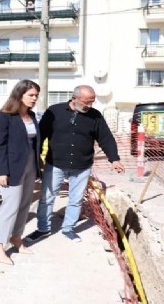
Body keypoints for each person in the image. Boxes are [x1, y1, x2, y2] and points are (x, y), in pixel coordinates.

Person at [25, 85, 125, 243]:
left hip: (82, 166)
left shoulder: (95, 116)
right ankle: (43, 228)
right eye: (86, 102)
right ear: (74, 98)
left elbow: (105, 138)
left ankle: (68, 229)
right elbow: (41, 135)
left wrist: (114, 159)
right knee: (47, 198)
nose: (90, 106)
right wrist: (36, 159)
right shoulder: (54, 111)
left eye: (92, 102)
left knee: (76, 199)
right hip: (55, 164)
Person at [0, 80, 42, 265]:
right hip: (11, 167)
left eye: (36, 95)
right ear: (19, 95)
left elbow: (35, 143)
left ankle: (17, 238)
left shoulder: (32, 116)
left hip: (30, 165)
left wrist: (37, 167)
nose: (35, 98)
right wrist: (2, 171)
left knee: (25, 204)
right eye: (31, 95)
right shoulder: (4, 116)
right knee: (10, 207)